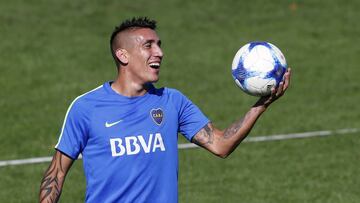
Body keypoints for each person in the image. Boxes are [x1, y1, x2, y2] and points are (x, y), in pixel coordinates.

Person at [39, 17, 291, 203]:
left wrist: (261, 105)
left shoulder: (172, 101)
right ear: (123, 55)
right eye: (148, 46)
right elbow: (57, 174)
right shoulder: (86, 108)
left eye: (159, 44)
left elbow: (221, 144)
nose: (159, 52)